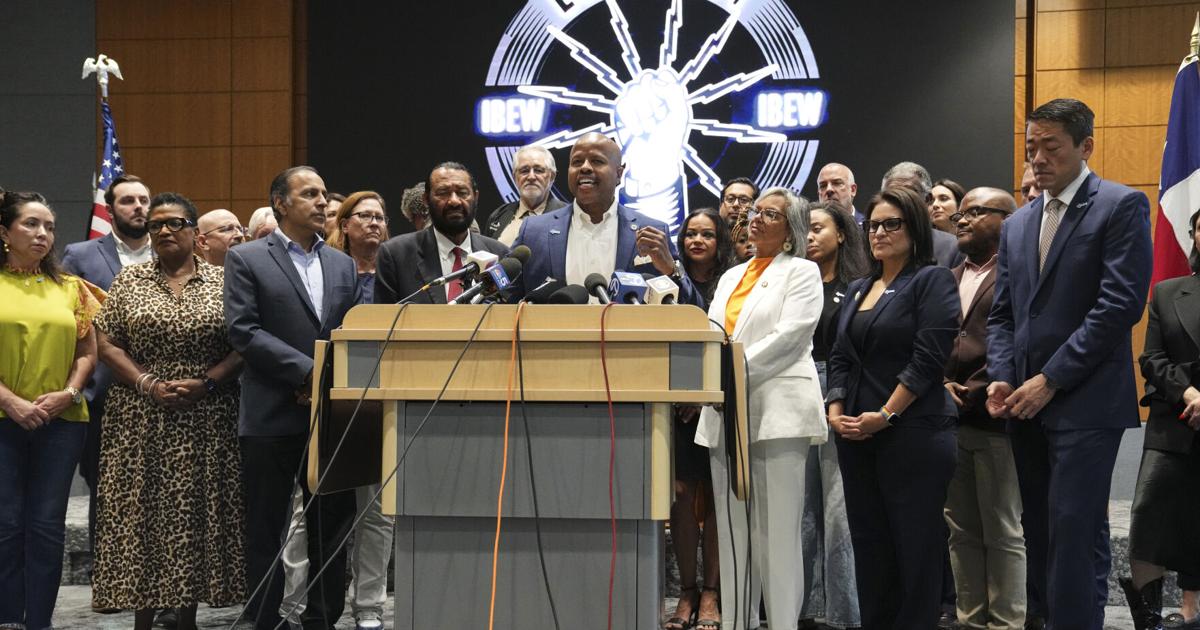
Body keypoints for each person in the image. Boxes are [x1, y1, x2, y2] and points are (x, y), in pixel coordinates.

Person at [986, 98, 1153, 630]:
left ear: (1086, 146)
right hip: (1024, 405)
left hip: (1086, 403)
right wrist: (1002, 376)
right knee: (1039, 531)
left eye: (1051, 147)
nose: (1037, 158)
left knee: (1073, 531)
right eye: (1031, 146)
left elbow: (1119, 306)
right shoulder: (1018, 224)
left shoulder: (1120, 206)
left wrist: (1050, 379)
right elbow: (1003, 315)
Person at [91, 192, 245, 630]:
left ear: (196, 233)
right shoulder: (130, 280)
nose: (163, 230)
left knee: (194, 516)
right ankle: (143, 620)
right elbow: (106, 342)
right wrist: (147, 382)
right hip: (140, 417)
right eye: (156, 224)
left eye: (174, 223)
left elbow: (244, 343)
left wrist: (208, 381)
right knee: (143, 517)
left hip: (207, 416)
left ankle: (186, 619)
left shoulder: (224, 281)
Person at [224, 166, 360, 630]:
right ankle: (264, 619)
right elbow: (244, 330)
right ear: (280, 203)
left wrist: (326, 380)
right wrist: (307, 372)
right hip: (271, 413)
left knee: (332, 525)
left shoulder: (342, 264)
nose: (322, 202)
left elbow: (348, 332)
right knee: (266, 527)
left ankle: (322, 619)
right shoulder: (246, 258)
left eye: (323, 194)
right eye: (309, 194)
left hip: (330, 414)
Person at [826, 186, 960, 629]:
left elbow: (928, 359)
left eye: (892, 224)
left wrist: (886, 415)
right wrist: (835, 411)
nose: (879, 233)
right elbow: (841, 356)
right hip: (856, 434)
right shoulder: (859, 287)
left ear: (915, 228)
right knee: (870, 546)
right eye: (873, 225)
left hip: (912, 433)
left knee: (915, 548)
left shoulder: (932, 280)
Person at [695, 188, 826, 630]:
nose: (756, 218)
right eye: (756, 211)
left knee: (777, 534)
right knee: (733, 534)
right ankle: (738, 622)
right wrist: (712, 376)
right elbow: (712, 334)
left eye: (770, 214)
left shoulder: (802, 271)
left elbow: (790, 337)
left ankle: (783, 623)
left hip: (777, 412)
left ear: (791, 230)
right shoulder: (731, 276)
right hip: (724, 413)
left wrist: (731, 372)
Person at [0, 191, 101, 630]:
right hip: (3, 419)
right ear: (4, 232)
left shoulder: (71, 288)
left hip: (61, 422)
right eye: (31, 224)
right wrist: (10, 401)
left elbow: (88, 352)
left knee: (46, 526)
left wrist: (70, 393)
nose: (43, 234)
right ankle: (8, 619)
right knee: (6, 524)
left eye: (49, 227)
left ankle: (39, 621)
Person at [61, 173, 152, 584]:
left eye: (143, 200)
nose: (138, 207)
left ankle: (154, 571)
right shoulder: (81, 254)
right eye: (128, 200)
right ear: (110, 209)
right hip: (104, 393)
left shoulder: (168, 252)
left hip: (160, 386)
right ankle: (109, 574)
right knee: (105, 485)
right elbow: (72, 322)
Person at [941, 187, 1024, 630]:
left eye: (975, 212)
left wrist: (974, 388)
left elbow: (1016, 340)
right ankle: (971, 621)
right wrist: (940, 384)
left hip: (996, 417)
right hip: (950, 419)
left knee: (1002, 530)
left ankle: (1007, 623)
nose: (962, 220)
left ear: (1007, 220)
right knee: (961, 531)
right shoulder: (948, 275)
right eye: (960, 214)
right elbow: (934, 338)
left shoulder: (1020, 273)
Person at [1122, 209, 1200, 630]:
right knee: (1149, 515)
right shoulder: (1167, 292)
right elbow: (1151, 358)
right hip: (1174, 421)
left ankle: (1192, 610)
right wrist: (1188, 392)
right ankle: (1149, 618)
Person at [513, 132, 701, 306]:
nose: (585, 167)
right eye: (577, 162)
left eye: (597, 161)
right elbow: (504, 299)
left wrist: (671, 271)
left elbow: (695, 310)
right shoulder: (533, 231)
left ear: (619, 174)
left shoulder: (653, 230)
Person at [799, 201, 868, 629]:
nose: (809, 236)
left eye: (818, 228)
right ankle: (804, 608)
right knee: (802, 507)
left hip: (839, 387)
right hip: (795, 385)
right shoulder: (792, 280)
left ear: (841, 234)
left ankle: (845, 614)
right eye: (803, 229)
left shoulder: (857, 285)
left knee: (838, 507)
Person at [666, 207, 734, 630]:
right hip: (674, 404)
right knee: (681, 496)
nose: (697, 240)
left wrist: (705, 394)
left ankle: (712, 592)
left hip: (719, 401)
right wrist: (681, 393)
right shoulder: (665, 282)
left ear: (719, 240)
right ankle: (687, 591)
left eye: (707, 234)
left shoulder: (733, 281)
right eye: (690, 233)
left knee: (716, 497)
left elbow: (728, 342)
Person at [325, 190, 391, 630]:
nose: (373, 223)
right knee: (313, 509)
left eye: (380, 217)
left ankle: (368, 604)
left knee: (379, 512)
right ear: (344, 224)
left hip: (385, 399)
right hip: (332, 399)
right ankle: (298, 601)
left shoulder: (395, 272)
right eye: (364, 216)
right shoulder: (330, 270)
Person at [375, 163, 509, 305]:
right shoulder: (396, 255)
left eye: (462, 192)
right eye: (443, 193)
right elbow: (381, 317)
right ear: (426, 200)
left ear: (475, 197)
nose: (454, 201)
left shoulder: (501, 255)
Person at [881, 162, 964, 268]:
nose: (900, 199)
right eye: (893, 194)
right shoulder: (872, 244)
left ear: (927, 199)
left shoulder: (953, 248)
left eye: (908, 193)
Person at [485, 145, 567, 245]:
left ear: (552, 176)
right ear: (514, 177)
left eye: (538, 170)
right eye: (524, 171)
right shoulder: (498, 216)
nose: (531, 177)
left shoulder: (568, 216)